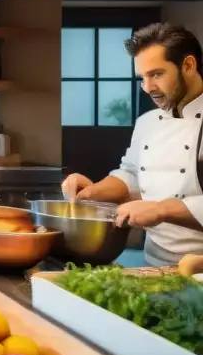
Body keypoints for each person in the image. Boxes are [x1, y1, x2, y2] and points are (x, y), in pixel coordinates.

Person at [61, 22, 203, 266]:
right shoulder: (147, 123)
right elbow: (132, 176)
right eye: (142, 78)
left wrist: (161, 209)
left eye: (157, 74)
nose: (147, 88)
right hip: (153, 266)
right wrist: (92, 193)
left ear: (188, 65)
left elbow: (158, 205)